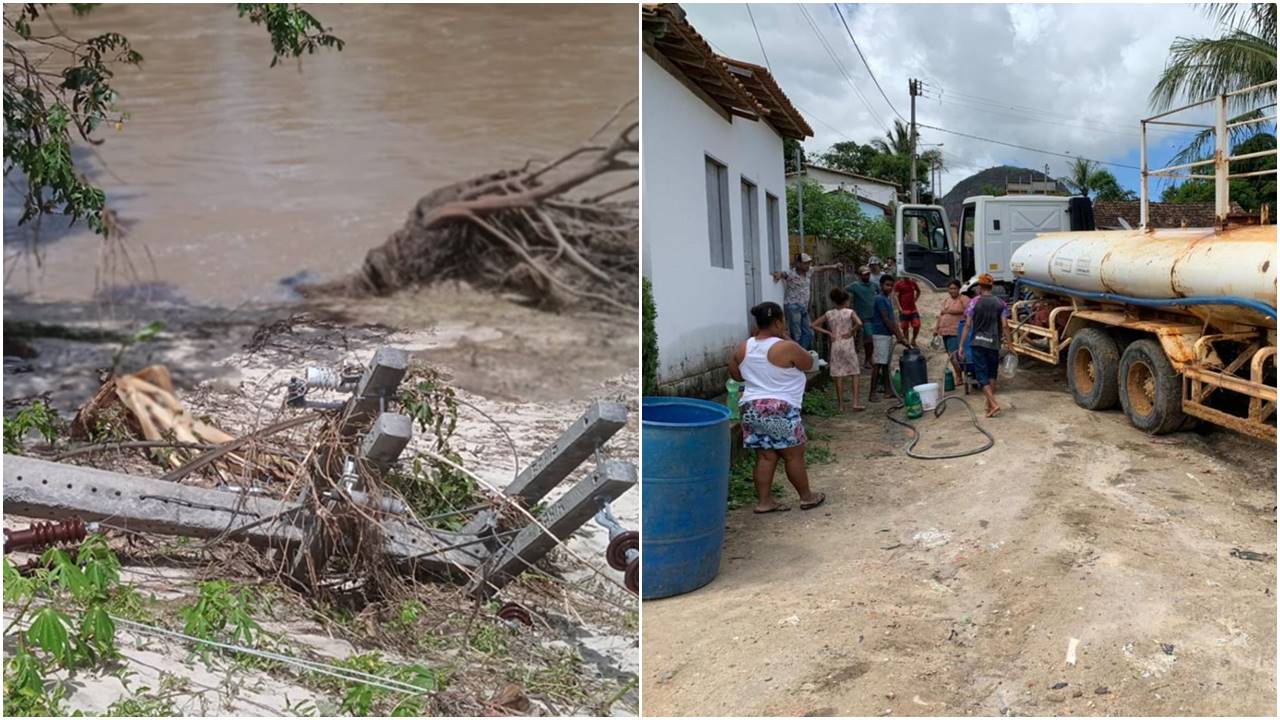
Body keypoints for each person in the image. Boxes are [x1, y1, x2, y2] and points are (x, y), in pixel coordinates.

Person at [729, 301, 826, 513]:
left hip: (751, 407)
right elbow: (809, 364)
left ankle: (764, 502)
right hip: (778, 408)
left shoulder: (744, 346)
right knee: (792, 455)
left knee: (765, 455)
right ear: (777, 322)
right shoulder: (786, 347)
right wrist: (789, 338)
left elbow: (736, 375)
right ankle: (806, 497)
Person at [958, 274, 1009, 417]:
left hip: (978, 343)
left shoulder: (974, 302)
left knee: (982, 376)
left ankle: (993, 404)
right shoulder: (1001, 303)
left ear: (980, 287)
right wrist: (1010, 345)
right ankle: (989, 405)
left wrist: (961, 345)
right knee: (992, 374)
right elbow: (1005, 325)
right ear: (992, 286)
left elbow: (967, 325)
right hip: (994, 344)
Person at [811, 287, 865, 412]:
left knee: (838, 374)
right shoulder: (850, 312)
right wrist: (852, 331)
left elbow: (813, 325)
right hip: (848, 344)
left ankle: (841, 405)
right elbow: (860, 323)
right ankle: (855, 403)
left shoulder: (829, 313)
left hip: (835, 344)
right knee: (854, 373)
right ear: (846, 301)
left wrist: (829, 333)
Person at [772, 252, 838, 351]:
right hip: (793, 307)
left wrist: (834, 266)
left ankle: (800, 353)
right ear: (798, 264)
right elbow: (782, 274)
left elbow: (820, 268)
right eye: (805, 263)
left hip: (803, 307)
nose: (808, 265)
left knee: (809, 333)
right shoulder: (791, 274)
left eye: (809, 263)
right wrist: (778, 275)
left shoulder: (809, 272)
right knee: (797, 334)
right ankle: (797, 356)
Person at [867, 274, 912, 402]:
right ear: (881, 285)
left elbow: (892, 320)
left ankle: (888, 390)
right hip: (880, 334)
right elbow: (886, 319)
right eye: (887, 285)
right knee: (878, 364)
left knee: (886, 364)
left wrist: (899, 335)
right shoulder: (880, 299)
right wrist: (900, 336)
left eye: (891, 285)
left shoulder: (888, 299)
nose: (890, 288)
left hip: (886, 334)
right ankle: (872, 393)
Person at [844, 265, 877, 369]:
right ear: (859, 276)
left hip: (872, 316)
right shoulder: (855, 286)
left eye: (868, 274)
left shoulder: (874, 285)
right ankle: (854, 361)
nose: (867, 276)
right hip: (860, 317)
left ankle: (868, 359)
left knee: (870, 339)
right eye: (864, 275)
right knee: (858, 339)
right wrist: (847, 304)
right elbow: (844, 291)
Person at [934, 279, 967, 382]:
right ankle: (959, 375)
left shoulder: (963, 299)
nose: (952, 291)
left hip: (956, 331)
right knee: (950, 354)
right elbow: (941, 315)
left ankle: (960, 376)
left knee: (955, 355)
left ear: (959, 289)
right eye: (950, 288)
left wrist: (950, 311)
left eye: (954, 288)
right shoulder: (946, 300)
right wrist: (936, 328)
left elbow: (968, 311)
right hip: (945, 332)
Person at [893, 274, 923, 346]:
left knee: (917, 325)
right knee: (905, 327)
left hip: (913, 309)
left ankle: (913, 340)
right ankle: (907, 343)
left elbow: (918, 291)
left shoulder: (913, 283)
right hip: (904, 309)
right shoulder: (899, 284)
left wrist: (915, 299)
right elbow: (896, 296)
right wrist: (899, 308)